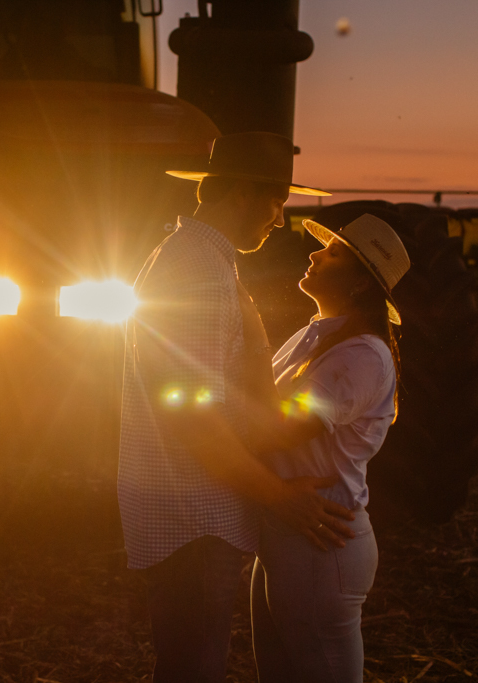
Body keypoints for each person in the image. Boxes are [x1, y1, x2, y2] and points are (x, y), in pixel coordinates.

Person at [118, 131, 356, 683]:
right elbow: (191, 415)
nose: (280, 219)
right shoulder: (198, 272)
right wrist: (280, 497)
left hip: (192, 511)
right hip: (194, 515)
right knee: (193, 670)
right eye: (276, 202)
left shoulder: (197, 260)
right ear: (243, 193)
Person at [251, 213, 411, 683]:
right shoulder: (314, 337)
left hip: (321, 542)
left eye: (333, 252)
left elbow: (283, 429)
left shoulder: (362, 355)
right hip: (291, 527)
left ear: (360, 284)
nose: (314, 253)